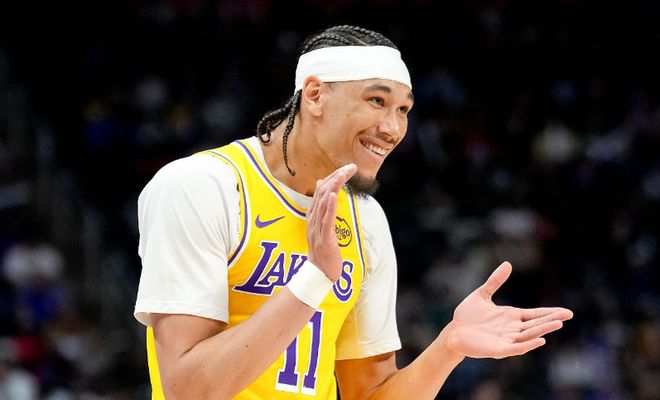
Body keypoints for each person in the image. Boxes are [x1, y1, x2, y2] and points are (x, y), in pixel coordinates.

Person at [134, 25, 573, 399]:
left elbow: (370, 393)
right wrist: (314, 277)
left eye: (403, 110)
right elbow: (188, 389)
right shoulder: (202, 187)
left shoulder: (365, 218)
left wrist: (448, 348)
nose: (393, 128)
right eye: (377, 101)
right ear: (314, 95)